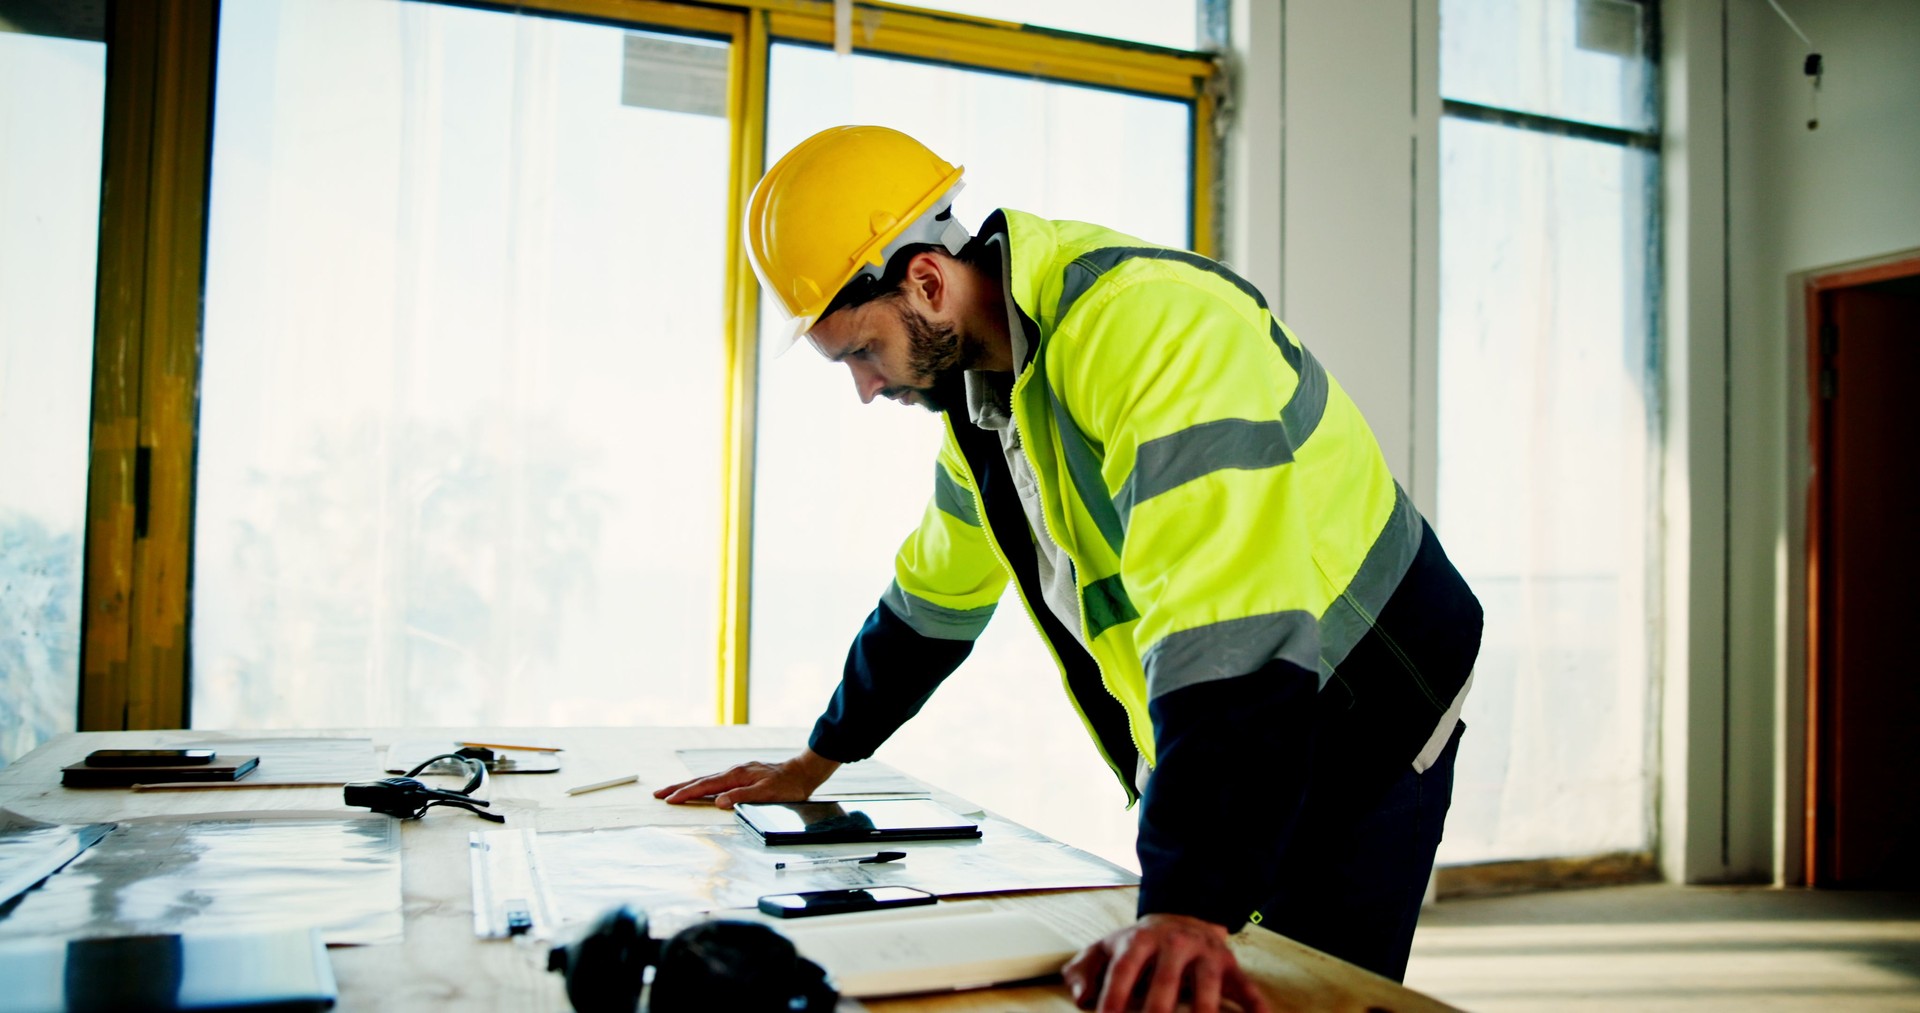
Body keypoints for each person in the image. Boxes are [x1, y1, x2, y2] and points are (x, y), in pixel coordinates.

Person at [657, 125, 1483, 1013]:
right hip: (1253, 695)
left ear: (927, 281)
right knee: (1212, 958)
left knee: (1302, 985)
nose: (864, 386)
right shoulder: (986, 408)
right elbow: (933, 598)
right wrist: (817, 760)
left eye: (861, 350)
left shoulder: (1150, 325)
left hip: (1368, 688)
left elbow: (1225, 617)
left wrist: (1184, 905)